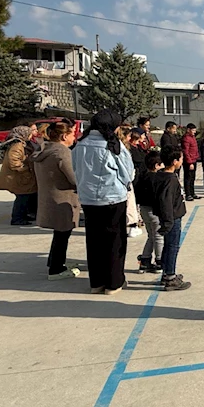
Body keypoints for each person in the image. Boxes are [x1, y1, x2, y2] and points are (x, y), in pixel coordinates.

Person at [73, 109, 134, 295]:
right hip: (113, 198)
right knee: (115, 242)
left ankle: (96, 282)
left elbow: (75, 169)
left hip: (89, 200)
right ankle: (113, 283)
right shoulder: (113, 146)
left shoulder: (80, 144)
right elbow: (127, 173)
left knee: (94, 241)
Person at [33, 122, 81, 280]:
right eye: (73, 133)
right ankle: (56, 269)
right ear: (64, 136)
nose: (74, 137)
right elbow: (74, 178)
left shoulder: (45, 149)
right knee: (62, 234)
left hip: (50, 197)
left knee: (59, 234)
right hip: (62, 199)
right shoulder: (62, 152)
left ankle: (54, 262)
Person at [154, 146, 192, 290]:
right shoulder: (169, 179)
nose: (182, 161)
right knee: (172, 246)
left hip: (171, 216)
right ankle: (170, 276)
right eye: (181, 159)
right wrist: (168, 221)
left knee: (169, 246)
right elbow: (166, 202)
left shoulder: (162, 175)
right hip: (172, 218)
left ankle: (166, 272)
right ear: (175, 161)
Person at [0, 126, 39, 226]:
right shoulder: (17, 145)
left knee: (25, 197)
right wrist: (25, 170)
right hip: (18, 177)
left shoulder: (19, 143)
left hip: (20, 176)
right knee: (22, 197)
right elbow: (14, 161)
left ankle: (22, 215)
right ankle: (17, 218)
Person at [135, 151, 163, 273]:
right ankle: (159, 261)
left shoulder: (142, 176)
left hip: (144, 209)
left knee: (151, 235)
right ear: (156, 165)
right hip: (154, 210)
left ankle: (145, 260)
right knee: (158, 236)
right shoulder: (156, 178)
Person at [181, 123, 200, 201]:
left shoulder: (193, 138)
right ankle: (188, 194)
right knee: (188, 178)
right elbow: (186, 151)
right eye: (193, 130)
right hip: (189, 161)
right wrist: (190, 162)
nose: (194, 132)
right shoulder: (186, 138)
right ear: (188, 130)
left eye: (195, 130)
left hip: (194, 160)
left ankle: (192, 193)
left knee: (193, 178)